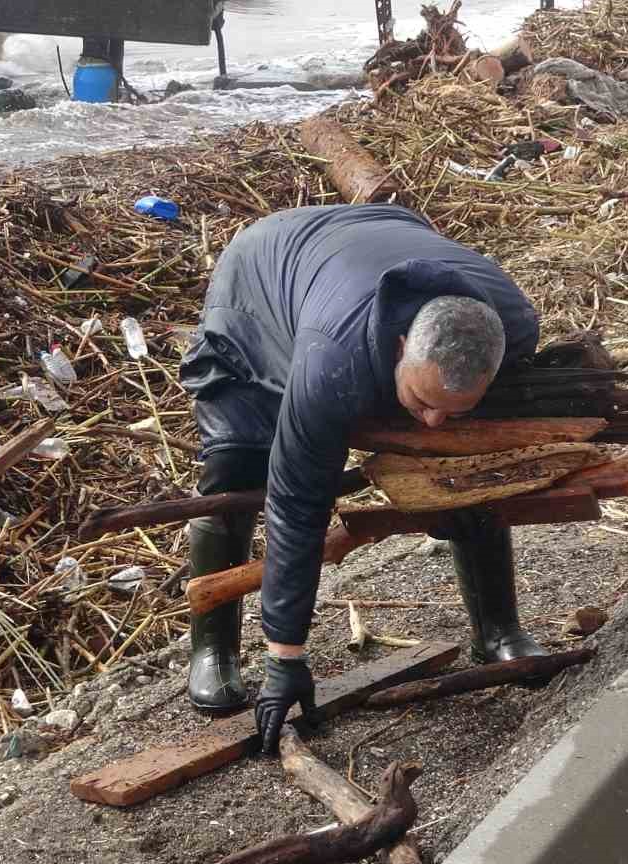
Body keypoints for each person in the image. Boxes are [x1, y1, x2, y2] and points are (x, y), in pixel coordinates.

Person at [178, 203, 549, 754]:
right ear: (401, 347)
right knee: (237, 464)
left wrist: (460, 437)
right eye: (423, 401)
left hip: (377, 239)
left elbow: (487, 452)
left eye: (454, 408)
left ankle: (497, 628)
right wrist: (286, 653)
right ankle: (214, 648)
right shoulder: (331, 361)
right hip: (263, 285)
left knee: (467, 465)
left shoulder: (514, 326)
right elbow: (298, 500)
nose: (432, 422)